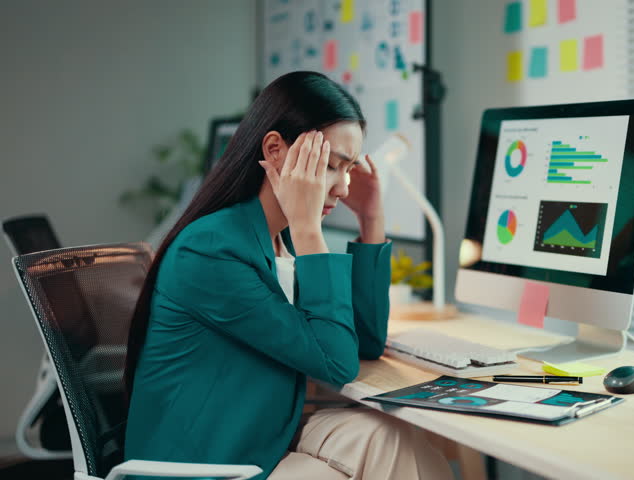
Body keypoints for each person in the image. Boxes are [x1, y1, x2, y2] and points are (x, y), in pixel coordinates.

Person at [123, 71, 452, 480]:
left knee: (396, 440)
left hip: (261, 438)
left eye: (348, 168)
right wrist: (308, 227)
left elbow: (363, 341)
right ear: (275, 149)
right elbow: (337, 362)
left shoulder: (282, 242)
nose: (343, 187)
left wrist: (372, 219)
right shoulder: (210, 250)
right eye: (331, 166)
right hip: (208, 464)